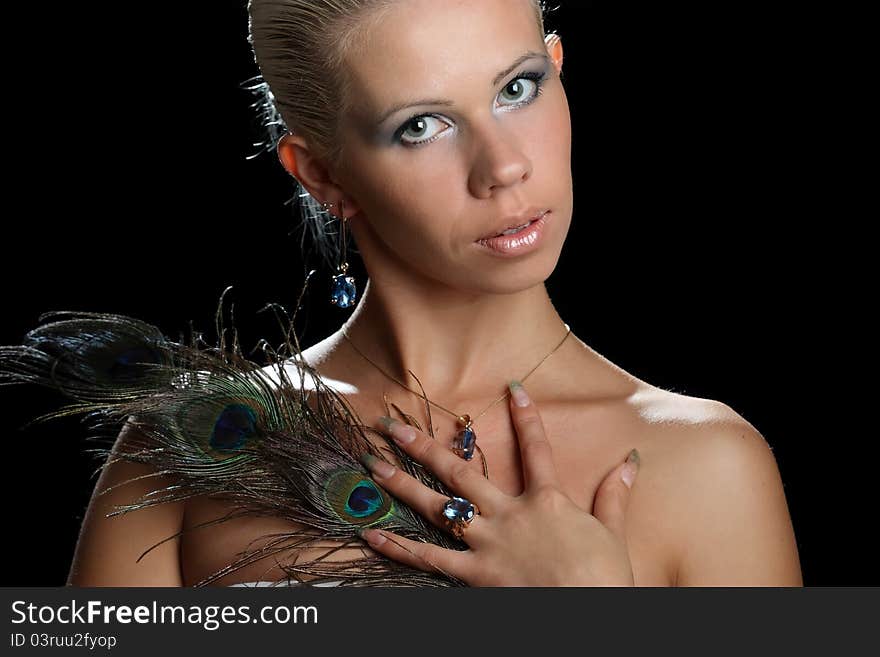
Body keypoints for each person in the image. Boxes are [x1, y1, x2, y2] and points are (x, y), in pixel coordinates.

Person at [59, 0, 801, 586]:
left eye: (518, 89)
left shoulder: (708, 468)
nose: (504, 167)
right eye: (422, 125)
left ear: (557, 68)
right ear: (321, 174)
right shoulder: (190, 448)